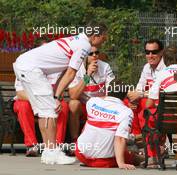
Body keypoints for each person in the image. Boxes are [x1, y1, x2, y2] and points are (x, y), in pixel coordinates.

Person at [13, 21, 108, 165]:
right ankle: (53, 152)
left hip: (25, 66)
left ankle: (48, 152)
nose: (104, 41)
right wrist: (56, 97)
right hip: (30, 68)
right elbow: (70, 73)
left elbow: (62, 74)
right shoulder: (84, 45)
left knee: (45, 111)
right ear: (95, 36)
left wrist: (55, 96)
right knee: (50, 111)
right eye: (104, 37)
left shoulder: (76, 41)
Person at [75, 81, 142, 169]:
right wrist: (121, 164)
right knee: (132, 156)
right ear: (125, 96)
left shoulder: (92, 102)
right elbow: (120, 138)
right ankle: (147, 157)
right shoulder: (126, 112)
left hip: (80, 154)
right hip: (103, 161)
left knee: (92, 123)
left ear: (107, 90)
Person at [139, 45, 177, 167]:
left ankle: (154, 156)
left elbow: (149, 102)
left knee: (145, 113)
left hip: (166, 119)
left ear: (164, 59)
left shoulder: (161, 74)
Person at [13, 73, 68, 157]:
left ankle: (56, 145)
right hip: (29, 101)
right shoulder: (25, 66)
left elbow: (60, 93)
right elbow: (20, 93)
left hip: (49, 101)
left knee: (63, 106)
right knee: (22, 106)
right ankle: (31, 145)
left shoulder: (55, 67)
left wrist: (52, 100)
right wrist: (39, 100)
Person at [68, 46, 115, 143]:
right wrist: (88, 75)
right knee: (73, 104)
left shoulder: (105, 66)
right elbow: (73, 95)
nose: (94, 56)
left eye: (96, 53)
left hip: (101, 106)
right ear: (84, 56)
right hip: (84, 106)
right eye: (91, 54)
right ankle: (74, 140)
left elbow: (112, 91)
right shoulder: (77, 68)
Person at [125, 39, 166, 136]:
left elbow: (160, 92)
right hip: (150, 100)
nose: (150, 55)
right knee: (128, 102)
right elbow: (140, 85)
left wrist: (140, 94)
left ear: (161, 52)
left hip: (161, 102)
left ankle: (148, 138)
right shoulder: (147, 67)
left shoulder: (165, 68)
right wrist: (134, 97)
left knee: (143, 106)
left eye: (154, 52)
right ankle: (137, 135)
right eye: (147, 52)